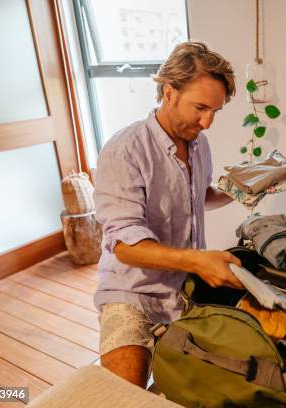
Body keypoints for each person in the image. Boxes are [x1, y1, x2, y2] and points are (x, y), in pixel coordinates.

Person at [93, 41, 244, 388]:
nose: (207, 122)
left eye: (215, 112)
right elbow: (124, 246)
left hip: (184, 290)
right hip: (131, 294)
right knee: (124, 395)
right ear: (169, 91)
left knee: (200, 386)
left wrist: (241, 191)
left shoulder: (198, 143)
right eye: (201, 107)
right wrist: (198, 260)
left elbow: (197, 197)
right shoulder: (123, 151)